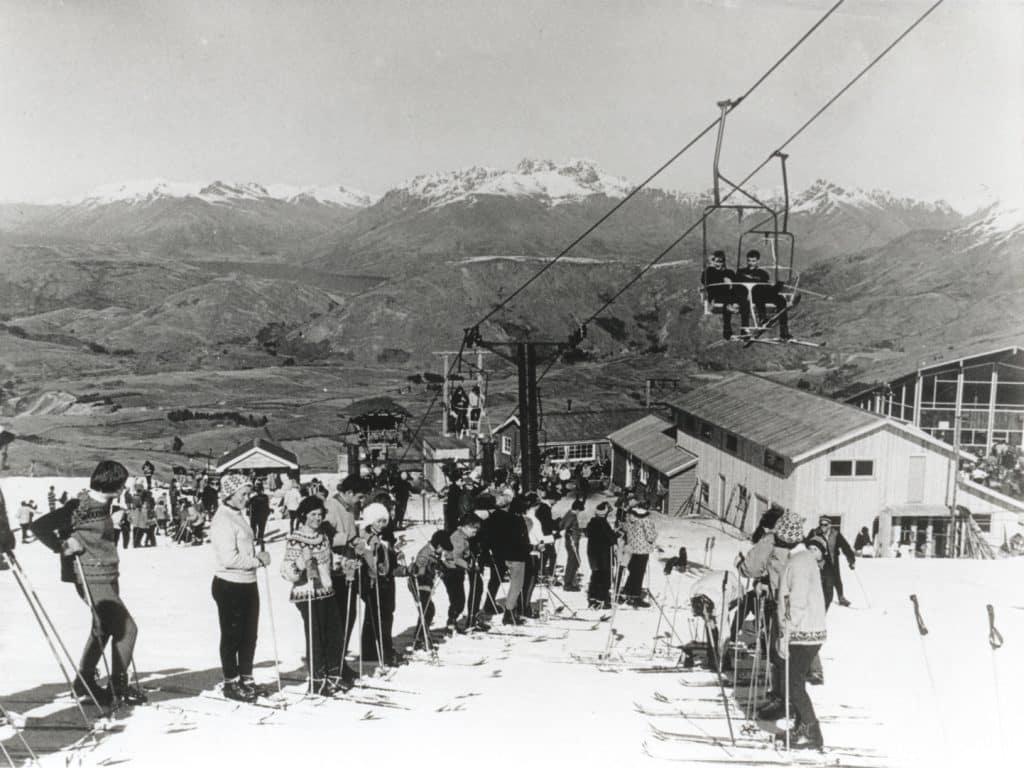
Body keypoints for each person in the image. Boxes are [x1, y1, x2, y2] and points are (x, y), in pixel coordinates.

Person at [30, 460, 147, 705]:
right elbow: (40, 526)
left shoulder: (104, 503)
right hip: (92, 577)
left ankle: (84, 682)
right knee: (127, 630)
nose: (125, 489)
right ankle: (118, 687)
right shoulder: (80, 506)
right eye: (123, 485)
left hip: (107, 573)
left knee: (103, 628)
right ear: (114, 486)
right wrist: (62, 546)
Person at [209, 474, 271, 703]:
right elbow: (229, 559)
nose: (247, 498)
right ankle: (231, 681)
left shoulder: (237, 514)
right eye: (243, 494)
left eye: (248, 493)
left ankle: (246, 677)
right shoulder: (223, 519)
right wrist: (258, 561)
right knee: (232, 635)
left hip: (247, 582)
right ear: (229, 494)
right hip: (229, 584)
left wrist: (254, 559)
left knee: (249, 635)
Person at [280, 495, 344, 695]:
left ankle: (333, 676)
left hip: (326, 591)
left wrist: (340, 563)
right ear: (303, 515)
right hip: (307, 594)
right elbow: (287, 572)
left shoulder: (323, 536)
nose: (317, 518)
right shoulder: (296, 538)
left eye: (320, 514)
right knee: (316, 637)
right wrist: (300, 562)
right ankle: (317, 680)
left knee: (334, 634)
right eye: (313, 514)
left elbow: (328, 562)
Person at [776, 537, 828, 750]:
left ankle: (811, 733)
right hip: (810, 630)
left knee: (793, 684)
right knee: (795, 682)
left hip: (802, 631)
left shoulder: (797, 563)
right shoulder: (805, 558)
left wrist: (785, 633)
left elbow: (796, 602)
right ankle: (803, 726)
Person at [322, 484, 366, 684]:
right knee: (340, 617)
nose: (360, 501)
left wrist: (356, 540)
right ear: (348, 492)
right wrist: (348, 540)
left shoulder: (347, 509)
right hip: (335, 569)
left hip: (347, 567)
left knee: (349, 615)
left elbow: (348, 533)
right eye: (358, 496)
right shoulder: (331, 506)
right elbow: (325, 534)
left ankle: (339, 661)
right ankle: (333, 663)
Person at [359, 503, 402, 666]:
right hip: (373, 581)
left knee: (385, 614)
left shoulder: (385, 535)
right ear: (370, 521)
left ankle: (376, 650)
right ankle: (381, 651)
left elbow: (388, 558)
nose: (382, 525)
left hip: (386, 580)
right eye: (379, 521)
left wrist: (395, 553)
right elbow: (367, 558)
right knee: (378, 616)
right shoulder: (367, 537)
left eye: (384, 521)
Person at [735, 249, 791, 340]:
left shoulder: (762, 273)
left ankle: (784, 332)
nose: (751, 263)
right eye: (749, 261)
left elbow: (764, 281)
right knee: (760, 290)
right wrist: (753, 280)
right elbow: (738, 280)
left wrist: (751, 279)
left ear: (758, 261)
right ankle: (762, 317)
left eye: (753, 261)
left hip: (763, 294)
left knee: (781, 300)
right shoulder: (741, 271)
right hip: (750, 295)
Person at [410, 531, 451, 649]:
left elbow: (435, 563)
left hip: (426, 585)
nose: (442, 551)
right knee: (427, 610)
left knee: (428, 610)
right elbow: (419, 570)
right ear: (438, 545)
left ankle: (422, 634)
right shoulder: (425, 553)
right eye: (442, 549)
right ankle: (419, 638)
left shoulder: (433, 553)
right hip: (419, 584)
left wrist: (440, 566)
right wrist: (431, 567)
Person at [444, 514, 481, 633]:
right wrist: (468, 566)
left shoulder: (463, 537)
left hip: (456, 571)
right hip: (451, 571)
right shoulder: (457, 538)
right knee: (457, 599)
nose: (475, 533)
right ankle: (451, 623)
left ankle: (452, 621)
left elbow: (464, 553)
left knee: (458, 598)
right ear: (465, 527)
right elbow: (455, 557)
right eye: (473, 530)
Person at [809, 517, 855, 608]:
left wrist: (851, 560)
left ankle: (841, 597)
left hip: (833, 560)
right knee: (819, 579)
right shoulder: (814, 532)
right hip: (818, 561)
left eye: (825, 524)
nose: (823, 527)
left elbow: (845, 547)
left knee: (836, 578)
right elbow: (807, 544)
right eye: (821, 524)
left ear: (830, 525)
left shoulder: (836, 534)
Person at [620, 502, 658, 607]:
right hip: (643, 550)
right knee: (639, 573)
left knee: (633, 572)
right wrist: (655, 534)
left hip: (632, 549)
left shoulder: (630, 519)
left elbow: (625, 529)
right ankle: (635, 596)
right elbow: (650, 537)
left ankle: (628, 591)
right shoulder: (646, 521)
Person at [701, 249, 743, 340]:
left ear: (723, 262)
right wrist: (722, 279)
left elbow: (736, 284)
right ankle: (727, 332)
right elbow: (704, 280)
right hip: (716, 296)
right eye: (714, 261)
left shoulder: (730, 272)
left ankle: (744, 330)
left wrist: (730, 283)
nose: (717, 263)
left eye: (720, 261)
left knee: (739, 298)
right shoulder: (709, 272)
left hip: (729, 296)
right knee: (728, 301)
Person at [585, 501, 617, 609]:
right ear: (605, 513)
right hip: (602, 555)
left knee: (595, 575)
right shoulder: (603, 523)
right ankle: (602, 598)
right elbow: (611, 538)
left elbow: (587, 533)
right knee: (604, 577)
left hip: (592, 553)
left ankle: (592, 597)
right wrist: (616, 535)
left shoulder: (592, 522)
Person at [560, 498, 584, 591]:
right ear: (577, 509)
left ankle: (571, 580)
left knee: (576, 561)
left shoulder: (569, 513)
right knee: (573, 561)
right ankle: (568, 583)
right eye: (580, 511)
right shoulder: (572, 516)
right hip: (572, 542)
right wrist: (570, 532)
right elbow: (565, 526)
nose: (579, 512)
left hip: (572, 541)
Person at [247, 480, 271, 547]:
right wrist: (268, 512)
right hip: (263, 515)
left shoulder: (253, 498)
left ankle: (254, 539)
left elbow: (247, 504)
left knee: (253, 527)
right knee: (261, 528)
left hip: (254, 515)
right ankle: (260, 539)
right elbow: (267, 506)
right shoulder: (265, 497)